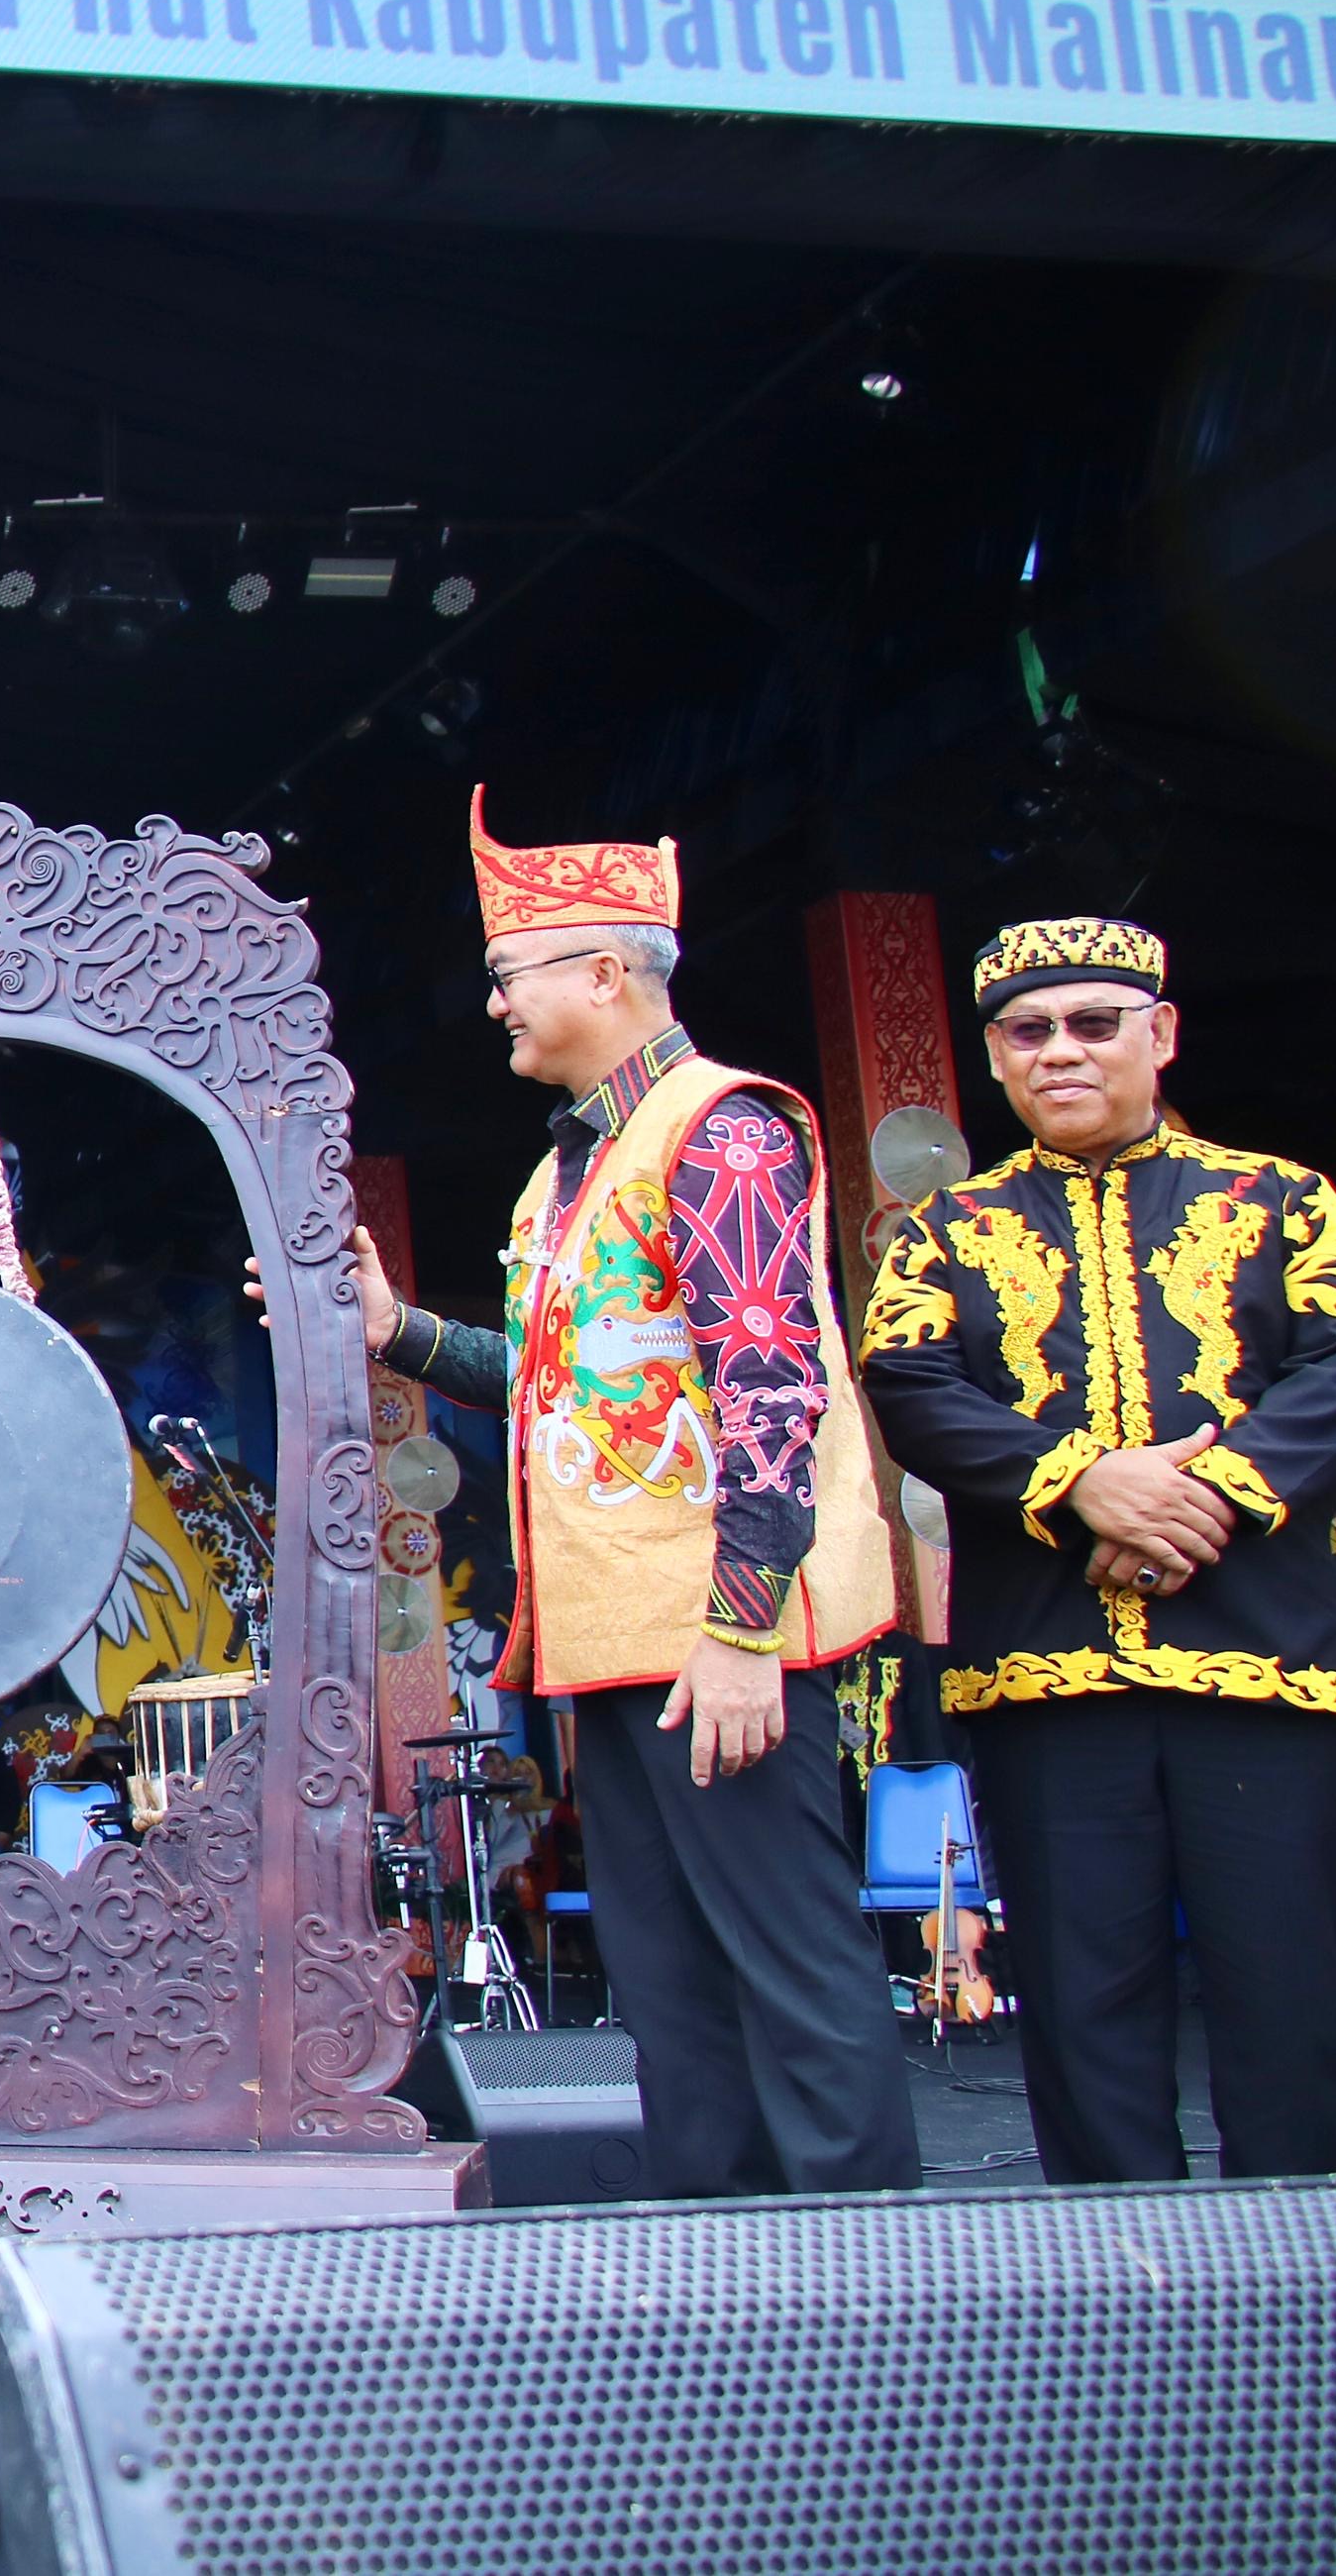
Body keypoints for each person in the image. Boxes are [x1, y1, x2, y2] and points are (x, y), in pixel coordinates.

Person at [309, 792, 914, 2200]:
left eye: (511, 974)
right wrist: (400, 1330)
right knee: (672, 1983)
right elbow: (565, 1377)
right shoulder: (562, 1174)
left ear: (604, 972)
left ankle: (885, 2286)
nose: (495, 1006)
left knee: (795, 1966)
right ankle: (724, 2260)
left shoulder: (724, 1129)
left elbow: (771, 1381)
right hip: (621, 1639)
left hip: (723, 1634)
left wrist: (745, 1625)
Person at [860, 918, 1336, 2184]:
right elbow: (907, 1384)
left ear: (1158, 1033)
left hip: (1265, 1663)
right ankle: (1118, 2308)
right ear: (991, 1056)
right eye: (1026, 1031)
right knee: (1081, 2007)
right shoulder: (943, 1230)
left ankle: (1310, 2297)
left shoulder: (1279, 1197)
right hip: (1049, 1675)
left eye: (1093, 1022)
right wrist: (1082, 1484)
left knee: (1284, 1996)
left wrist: (1206, 1493)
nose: (1059, 1051)